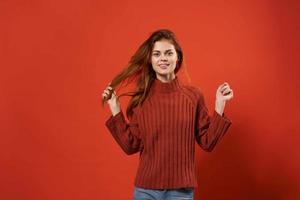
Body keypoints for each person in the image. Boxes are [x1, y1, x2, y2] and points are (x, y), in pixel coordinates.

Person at [101, 29, 234, 200]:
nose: (162, 58)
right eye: (157, 54)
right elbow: (130, 145)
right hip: (145, 191)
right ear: (150, 60)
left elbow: (208, 142)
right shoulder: (141, 99)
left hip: (181, 192)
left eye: (168, 53)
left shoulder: (193, 96)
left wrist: (219, 105)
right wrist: (115, 108)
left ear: (177, 57)